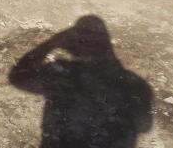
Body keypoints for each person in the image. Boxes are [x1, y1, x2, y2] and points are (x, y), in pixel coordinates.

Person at [9, 15, 152, 148]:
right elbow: (145, 125)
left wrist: (51, 43)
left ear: (72, 47)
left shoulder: (65, 75)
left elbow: (19, 77)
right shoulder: (135, 85)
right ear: (108, 45)